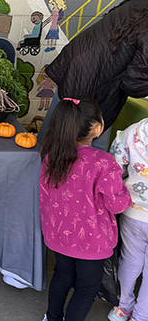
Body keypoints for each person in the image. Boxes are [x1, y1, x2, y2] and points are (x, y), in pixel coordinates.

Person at [39, 97, 132, 321]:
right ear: (98, 128)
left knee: (61, 275)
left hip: (58, 235)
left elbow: (44, 195)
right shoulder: (104, 162)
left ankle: (52, 318)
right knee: (87, 286)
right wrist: (128, 193)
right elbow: (116, 204)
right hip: (92, 241)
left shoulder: (53, 156)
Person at [40, 0, 148, 150]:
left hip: (80, 60)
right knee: (93, 140)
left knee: (57, 124)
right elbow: (133, 83)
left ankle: (36, 164)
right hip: (96, 77)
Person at [108, 118, 148, 321]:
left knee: (130, 260)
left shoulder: (134, 131)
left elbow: (115, 168)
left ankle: (122, 308)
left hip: (132, 210)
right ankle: (141, 316)